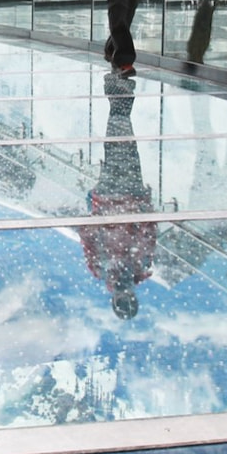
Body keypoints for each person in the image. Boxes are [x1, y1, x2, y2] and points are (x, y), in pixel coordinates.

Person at [80, 75, 156, 319]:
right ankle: (118, 96)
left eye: (122, 299)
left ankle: (120, 96)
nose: (125, 294)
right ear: (134, 297)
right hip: (123, 196)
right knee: (122, 144)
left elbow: (88, 235)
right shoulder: (138, 268)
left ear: (114, 298)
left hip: (115, 197)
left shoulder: (105, 269)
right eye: (129, 298)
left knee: (117, 145)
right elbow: (148, 232)